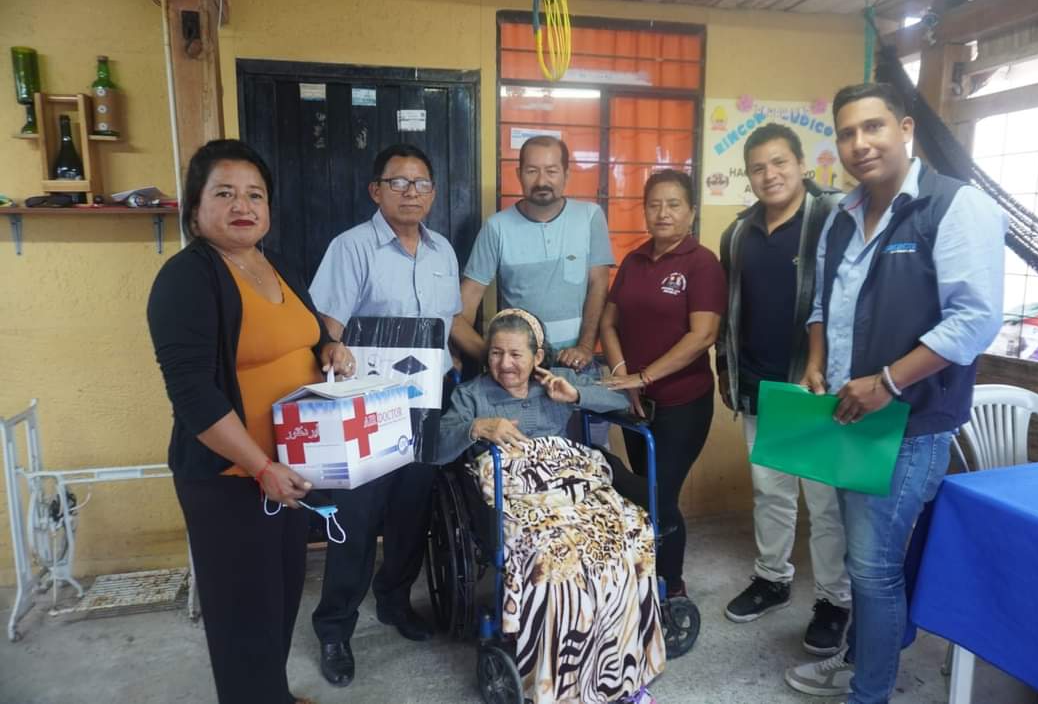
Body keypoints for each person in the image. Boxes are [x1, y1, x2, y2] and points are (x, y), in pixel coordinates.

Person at [784, 83, 1006, 703]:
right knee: (862, 563)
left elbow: (974, 320)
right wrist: (817, 365)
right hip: (847, 415)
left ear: (906, 129)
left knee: (875, 568)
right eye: (847, 133)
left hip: (909, 423)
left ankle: (870, 690)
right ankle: (863, 660)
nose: (860, 143)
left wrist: (888, 381)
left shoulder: (953, 206)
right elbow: (824, 304)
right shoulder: (841, 216)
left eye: (873, 127)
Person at [147, 139, 354, 704]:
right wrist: (261, 466)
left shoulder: (274, 262)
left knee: (280, 599)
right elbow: (192, 395)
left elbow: (310, 334)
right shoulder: (187, 278)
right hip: (233, 479)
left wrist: (330, 348)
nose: (243, 205)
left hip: (289, 472)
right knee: (242, 616)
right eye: (224, 193)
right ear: (195, 209)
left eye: (255, 194)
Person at [439, 309, 664, 704]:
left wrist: (574, 394)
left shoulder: (554, 381)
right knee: (553, 552)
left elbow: (619, 397)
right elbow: (437, 448)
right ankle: (560, 683)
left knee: (630, 531)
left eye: (516, 354)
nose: (505, 364)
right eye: (496, 353)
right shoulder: (471, 395)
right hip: (515, 490)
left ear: (537, 357)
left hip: (571, 480)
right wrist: (477, 427)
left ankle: (621, 672)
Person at [308, 143, 462, 688]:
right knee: (357, 519)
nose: (410, 193)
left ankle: (394, 601)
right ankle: (334, 626)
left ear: (433, 193)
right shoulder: (351, 247)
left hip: (427, 401)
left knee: (410, 511)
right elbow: (326, 329)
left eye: (421, 183)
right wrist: (330, 348)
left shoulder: (443, 252)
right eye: (398, 182)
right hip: (367, 407)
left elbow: (448, 328)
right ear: (376, 191)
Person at [718, 123, 852, 655]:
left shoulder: (833, 219)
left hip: (815, 388)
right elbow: (731, 311)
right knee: (770, 492)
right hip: (760, 386)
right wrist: (728, 371)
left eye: (779, 163)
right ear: (748, 176)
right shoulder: (739, 233)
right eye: (758, 167)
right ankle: (772, 578)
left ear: (801, 165)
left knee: (824, 503)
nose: (769, 174)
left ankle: (834, 600)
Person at [600, 168, 726, 599]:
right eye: (654, 205)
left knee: (659, 494)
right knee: (645, 491)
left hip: (682, 404)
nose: (663, 213)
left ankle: (672, 588)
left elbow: (703, 335)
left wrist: (645, 376)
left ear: (691, 211)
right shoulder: (634, 261)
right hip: (636, 404)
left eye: (673, 204)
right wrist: (625, 378)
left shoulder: (701, 263)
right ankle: (643, 576)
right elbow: (609, 322)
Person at [452, 135, 614, 375]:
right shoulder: (497, 227)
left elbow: (599, 285)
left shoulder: (590, 217)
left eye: (551, 171)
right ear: (519, 175)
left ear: (566, 175)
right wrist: (496, 358)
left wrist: (585, 347)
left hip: (577, 367)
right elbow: (461, 311)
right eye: (531, 171)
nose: (542, 181)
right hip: (520, 374)